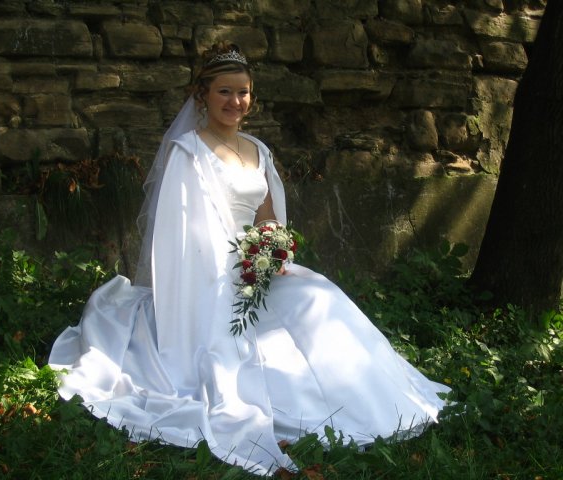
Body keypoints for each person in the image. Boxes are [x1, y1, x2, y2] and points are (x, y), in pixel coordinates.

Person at [48, 42, 451, 476]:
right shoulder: (189, 150)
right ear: (202, 95)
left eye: (242, 92)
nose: (234, 101)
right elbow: (184, 233)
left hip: (255, 264)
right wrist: (234, 268)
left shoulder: (258, 149)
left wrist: (272, 247)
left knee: (318, 296)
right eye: (224, 91)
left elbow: (267, 216)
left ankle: (367, 398)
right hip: (207, 269)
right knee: (237, 332)